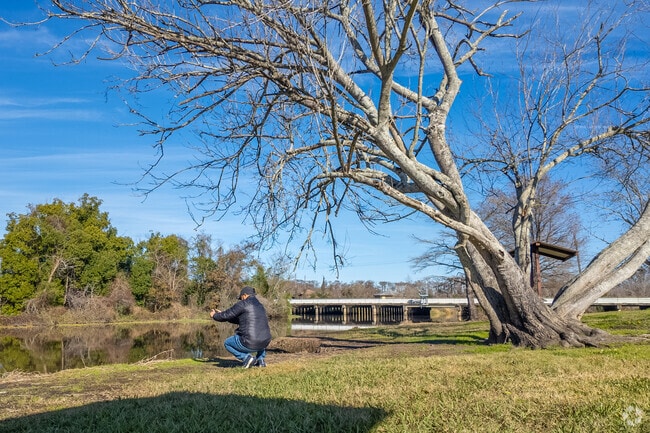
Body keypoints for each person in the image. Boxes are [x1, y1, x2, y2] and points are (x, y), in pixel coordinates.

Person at [210, 286, 272, 368]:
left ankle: (246, 358)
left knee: (227, 343)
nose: (241, 299)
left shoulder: (243, 304)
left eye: (241, 297)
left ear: (245, 295)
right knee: (260, 336)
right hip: (265, 342)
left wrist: (215, 315)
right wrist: (221, 314)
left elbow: (226, 315)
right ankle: (261, 361)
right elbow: (235, 318)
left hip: (250, 342)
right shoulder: (260, 306)